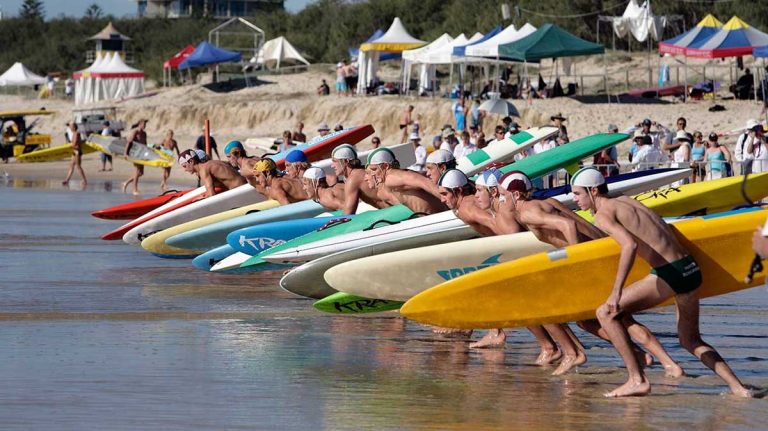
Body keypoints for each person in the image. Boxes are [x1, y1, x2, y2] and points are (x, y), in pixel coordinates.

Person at [570, 166, 753, 398]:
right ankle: (738, 388)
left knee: (606, 313)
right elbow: (662, 229)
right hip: (689, 269)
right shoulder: (628, 201)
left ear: (593, 191)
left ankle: (637, 380)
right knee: (691, 340)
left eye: (577, 194)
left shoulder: (602, 214)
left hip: (669, 274)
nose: (575, 199)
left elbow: (629, 245)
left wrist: (616, 292)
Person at [364, 147, 447, 215]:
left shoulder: (391, 177)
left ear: (385, 166)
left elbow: (425, 182)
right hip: (436, 215)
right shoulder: (392, 180)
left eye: (374, 169)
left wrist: (452, 202)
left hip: (438, 217)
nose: (369, 176)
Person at [329, 144, 389, 214]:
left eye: (335, 161)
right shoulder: (361, 170)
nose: (332, 165)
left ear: (346, 161)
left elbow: (348, 214)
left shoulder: (353, 179)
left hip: (393, 211)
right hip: (393, 208)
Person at [179, 149, 246, 198]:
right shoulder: (212, 162)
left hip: (241, 190)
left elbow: (212, 195)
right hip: (245, 185)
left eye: (184, 166)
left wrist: (201, 200)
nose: (185, 170)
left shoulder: (203, 171)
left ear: (191, 161)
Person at [122, 119, 149, 195]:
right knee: (137, 172)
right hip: (135, 154)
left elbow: (145, 145)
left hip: (142, 154)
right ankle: (134, 190)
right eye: (143, 124)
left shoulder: (144, 133)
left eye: (145, 124)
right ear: (139, 124)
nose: (145, 126)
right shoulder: (135, 132)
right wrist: (125, 153)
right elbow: (129, 142)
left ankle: (126, 182)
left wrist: (147, 154)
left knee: (141, 173)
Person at [62, 122, 87, 188]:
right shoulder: (74, 134)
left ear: (73, 127)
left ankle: (84, 180)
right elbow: (78, 142)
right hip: (74, 151)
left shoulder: (76, 134)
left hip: (77, 152)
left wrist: (66, 147)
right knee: (71, 166)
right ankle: (67, 180)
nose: (69, 128)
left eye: (70, 126)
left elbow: (75, 143)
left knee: (78, 166)